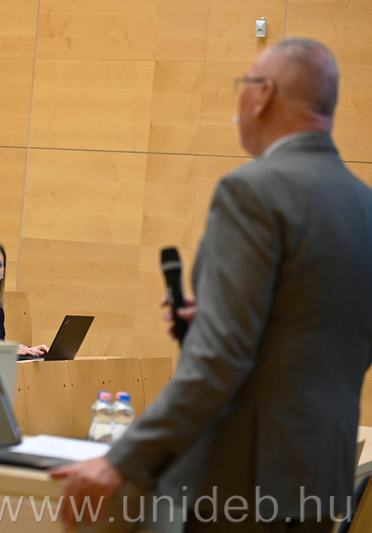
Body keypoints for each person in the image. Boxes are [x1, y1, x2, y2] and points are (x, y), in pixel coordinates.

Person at [51, 39, 372, 532]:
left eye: (244, 85)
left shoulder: (252, 191)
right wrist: (221, 317)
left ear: (263, 95)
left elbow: (219, 359)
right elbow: (324, 333)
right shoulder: (364, 206)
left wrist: (122, 460)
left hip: (240, 481)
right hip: (319, 479)